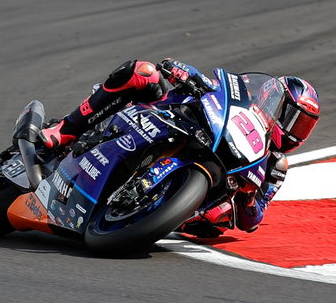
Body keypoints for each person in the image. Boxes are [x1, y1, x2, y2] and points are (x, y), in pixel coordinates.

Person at [40, 59, 320, 239]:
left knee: (217, 216)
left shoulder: (275, 167)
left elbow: (253, 221)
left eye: (304, 125)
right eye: (293, 118)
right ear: (273, 99)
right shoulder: (242, 101)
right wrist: (184, 72)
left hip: (197, 197)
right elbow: (211, 87)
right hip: (169, 121)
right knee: (142, 73)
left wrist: (248, 199)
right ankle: (65, 130)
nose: (296, 130)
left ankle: (151, 211)